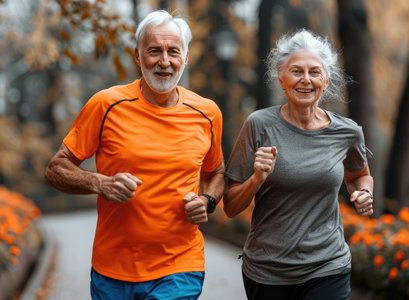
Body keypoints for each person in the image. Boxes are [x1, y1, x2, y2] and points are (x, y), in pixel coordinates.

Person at [45, 9, 224, 300]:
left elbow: (215, 171)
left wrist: (208, 200)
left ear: (186, 58)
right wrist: (100, 183)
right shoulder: (106, 105)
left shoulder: (207, 113)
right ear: (138, 57)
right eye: (154, 51)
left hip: (180, 265)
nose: (164, 61)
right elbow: (55, 169)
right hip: (112, 269)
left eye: (173, 52)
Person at [223, 28, 374, 300]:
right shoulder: (258, 125)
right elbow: (231, 206)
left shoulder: (348, 132)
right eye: (296, 71)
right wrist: (256, 178)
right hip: (268, 271)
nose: (306, 80)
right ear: (281, 78)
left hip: (328, 265)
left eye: (314, 72)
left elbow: (360, 175)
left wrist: (364, 192)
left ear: (326, 80)